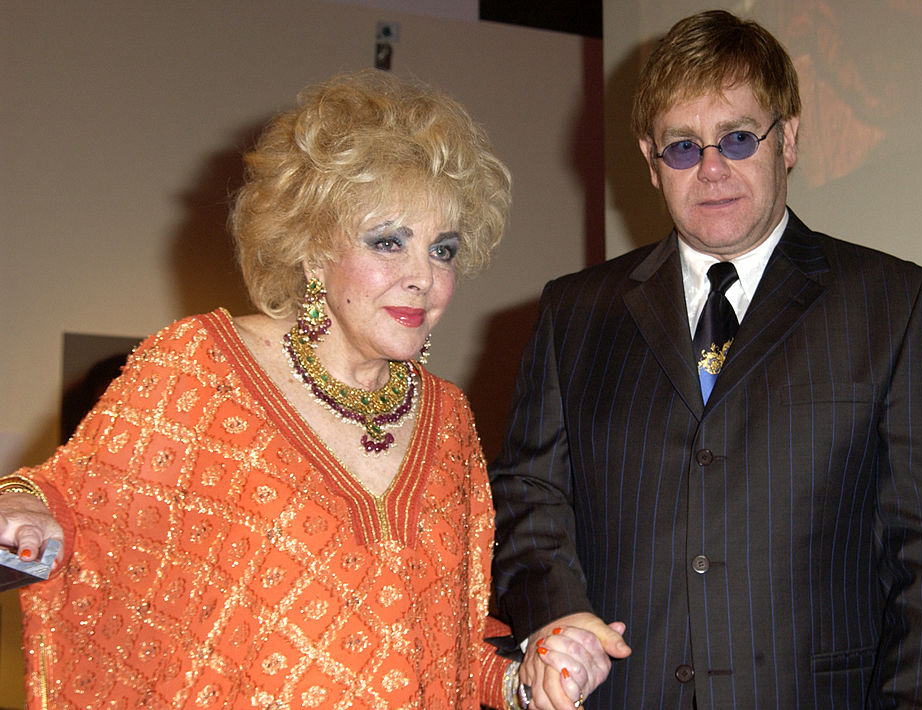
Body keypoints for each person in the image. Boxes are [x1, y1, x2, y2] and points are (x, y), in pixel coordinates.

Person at [0, 70, 608, 709]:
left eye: (443, 250)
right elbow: (76, 509)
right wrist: (25, 510)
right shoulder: (203, 367)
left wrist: (526, 678)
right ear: (315, 248)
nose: (423, 278)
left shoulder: (448, 419)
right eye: (388, 242)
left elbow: (445, 645)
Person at [489, 10, 922, 709]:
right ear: (650, 159)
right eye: (683, 147)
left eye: (738, 137)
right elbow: (528, 499)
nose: (713, 168)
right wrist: (560, 613)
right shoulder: (574, 313)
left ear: (788, 139)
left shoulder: (893, 304)